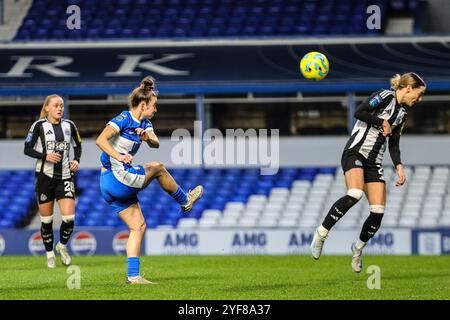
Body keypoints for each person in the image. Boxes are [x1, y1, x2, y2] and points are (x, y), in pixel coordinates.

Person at [310, 72, 426, 272]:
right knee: (354, 194)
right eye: (419, 93)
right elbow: (359, 112)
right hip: (355, 151)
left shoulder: (403, 114)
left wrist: (399, 166)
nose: (420, 98)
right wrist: (382, 122)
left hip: (374, 162)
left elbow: (394, 144)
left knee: (378, 212)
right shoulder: (384, 96)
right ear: (408, 88)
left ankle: (358, 249)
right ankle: (321, 234)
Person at [96, 76, 203, 285]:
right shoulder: (124, 118)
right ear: (143, 104)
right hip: (117, 177)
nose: (156, 109)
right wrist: (119, 156)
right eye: (154, 105)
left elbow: (155, 143)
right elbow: (100, 139)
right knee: (158, 168)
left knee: (138, 226)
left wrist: (147, 137)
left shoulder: (145, 123)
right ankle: (184, 200)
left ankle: (133, 276)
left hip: (108, 184)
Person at [24, 95, 82, 268]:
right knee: (47, 220)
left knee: (69, 217)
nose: (60, 108)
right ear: (47, 108)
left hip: (65, 176)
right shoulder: (38, 126)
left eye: (62, 106)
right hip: (44, 177)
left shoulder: (69, 126)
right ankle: (49, 254)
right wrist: (45, 156)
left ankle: (62, 246)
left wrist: (76, 159)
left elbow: (77, 145)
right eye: (56, 105)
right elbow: (27, 148)